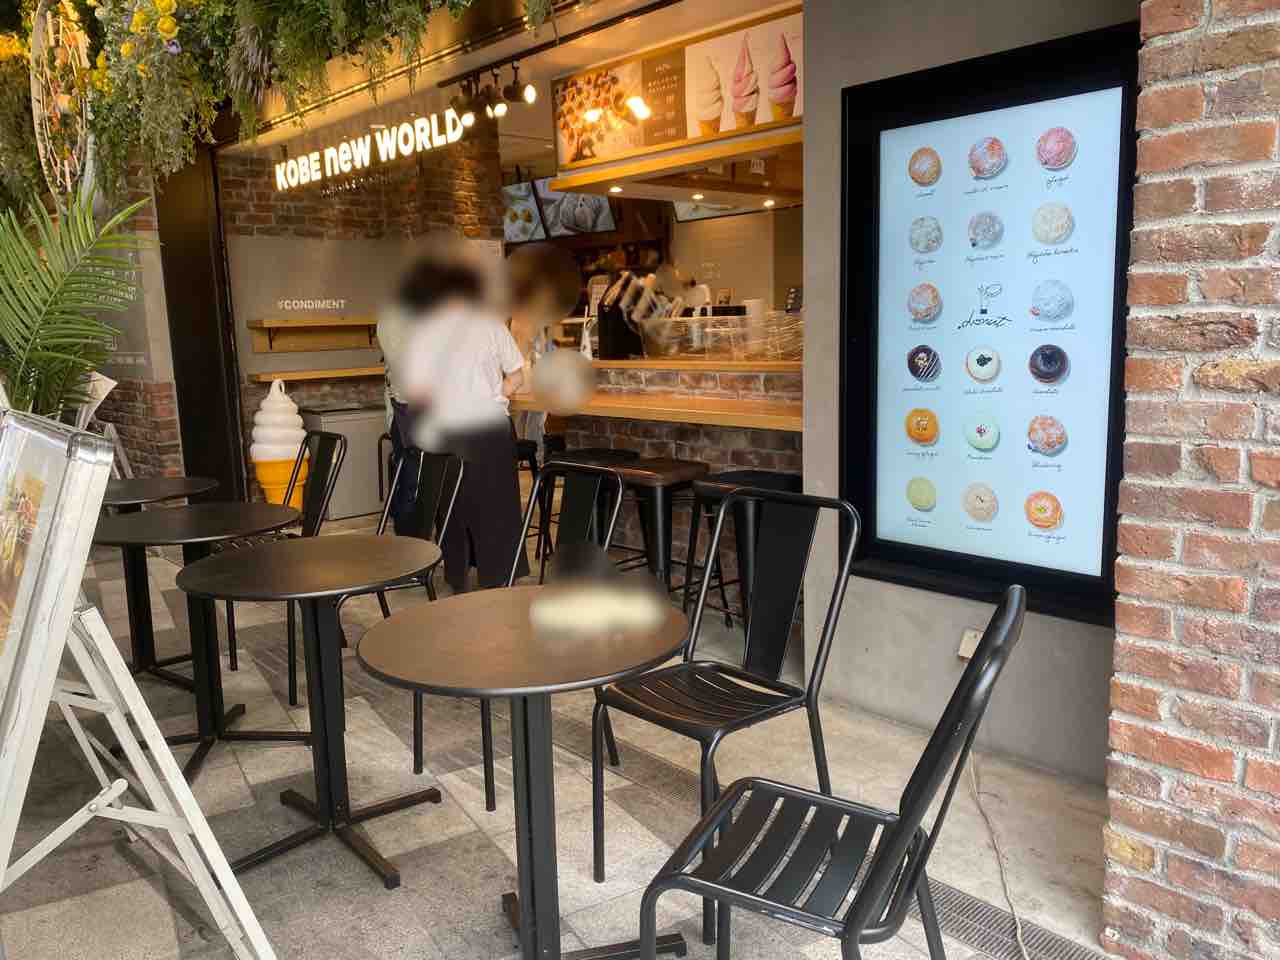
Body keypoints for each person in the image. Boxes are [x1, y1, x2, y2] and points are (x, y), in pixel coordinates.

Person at [391, 249, 530, 591]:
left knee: (453, 509)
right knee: (497, 509)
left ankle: (457, 577)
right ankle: (498, 578)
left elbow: (414, 391)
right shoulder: (491, 325)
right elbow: (517, 374)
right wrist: (498, 393)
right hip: (490, 429)